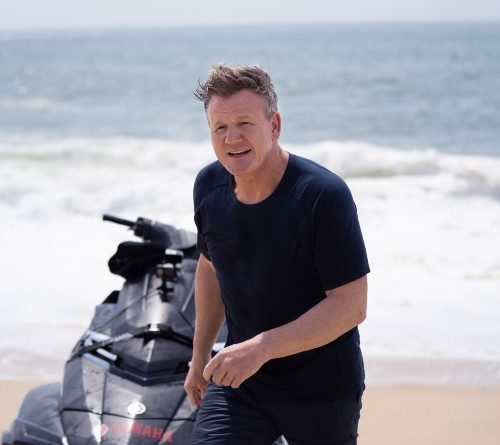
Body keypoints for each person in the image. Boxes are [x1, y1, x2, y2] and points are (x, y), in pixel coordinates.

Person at [184, 64, 370, 445]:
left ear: (274, 125)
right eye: (220, 127)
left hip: (322, 390)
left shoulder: (323, 196)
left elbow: (351, 305)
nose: (232, 138)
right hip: (242, 384)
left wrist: (262, 348)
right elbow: (210, 268)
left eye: (244, 123)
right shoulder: (208, 186)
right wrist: (199, 356)